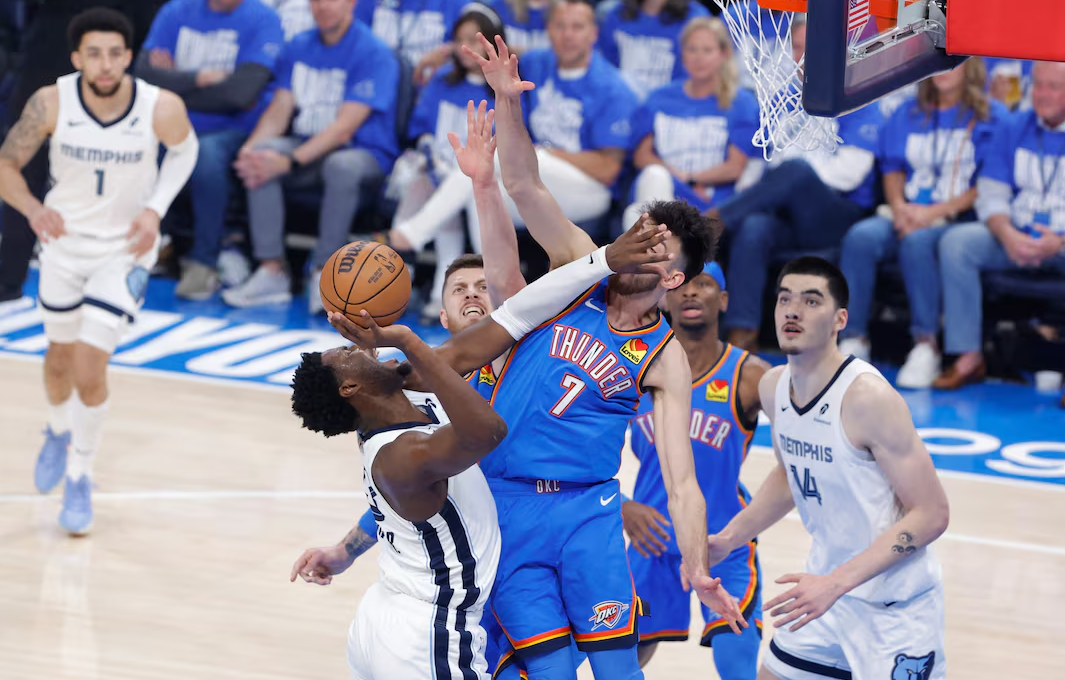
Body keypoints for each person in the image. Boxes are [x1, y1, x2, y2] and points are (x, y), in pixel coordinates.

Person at [292, 200, 680, 680]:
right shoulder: (413, 443)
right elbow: (489, 429)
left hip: (393, 611)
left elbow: (516, 309)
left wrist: (343, 552)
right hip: (430, 629)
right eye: (350, 352)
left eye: (482, 289)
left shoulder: (413, 407)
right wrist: (410, 340)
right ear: (351, 388)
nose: (362, 346)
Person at [465, 32, 746, 680]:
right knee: (550, 673)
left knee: (619, 670)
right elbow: (523, 182)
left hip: (586, 513)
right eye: (643, 234)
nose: (643, 248)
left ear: (675, 279)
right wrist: (508, 101)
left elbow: (681, 482)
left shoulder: (663, 355)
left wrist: (697, 566)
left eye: (660, 248)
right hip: (507, 500)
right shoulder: (577, 269)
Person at [700, 256, 950, 680]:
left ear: (840, 319)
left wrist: (836, 583)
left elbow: (933, 514)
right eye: (784, 300)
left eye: (811, 301)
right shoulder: (774, 386)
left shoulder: (868, 398)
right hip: (821, 595)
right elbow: (789, 475)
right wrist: (729, 538)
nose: (793, 311)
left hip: (892, 610)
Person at [0, 8, 198, 534]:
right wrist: (32, 210)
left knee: (90, 367)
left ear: (128, 57)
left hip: (124, 252)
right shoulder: (50, 101)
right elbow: (5, 166)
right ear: (76, 58)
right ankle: (57, 428)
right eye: (94, 53)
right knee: (59, 356)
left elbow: (185, 152)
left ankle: (80, 474)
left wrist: (155, 207)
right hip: (63, 248)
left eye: (115, 53)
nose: (105, 63)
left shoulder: (161, 106)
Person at [623, 261, 770, 679]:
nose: (690, 293)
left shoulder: (750, 375)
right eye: (681, 285)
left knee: (736, 658)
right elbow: (580, 452)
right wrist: (622, 505)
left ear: (722, 300)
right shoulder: (637, 372)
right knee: (618, 660)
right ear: (665, 298)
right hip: (654, 538)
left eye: (703, 285)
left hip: (723, 540)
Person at [223, 0, 399, 314]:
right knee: (261, 156)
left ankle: (324, 274)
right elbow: (280, 108)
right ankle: (271, 269)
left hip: (363, 154)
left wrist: (289, 162)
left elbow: (344, 129)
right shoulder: (299, 45)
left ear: (351, 3)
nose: (322, 6)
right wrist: (251, 149)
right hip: (308, 147)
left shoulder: (374, 52)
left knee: (340, 165)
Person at [837, 59, 1005, 388]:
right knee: (861, 237)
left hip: (956, 218)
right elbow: (892, 168)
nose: (943, 69)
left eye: (951, 63)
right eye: (937, 62)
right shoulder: (907, 112)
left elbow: (986, 184)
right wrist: (900, 207)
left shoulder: (990, 115)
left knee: (919, 242)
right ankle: (853, 339)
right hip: (907, 213)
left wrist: (932, 213)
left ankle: (925, 344)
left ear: (968, 67)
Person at [0, 0, 161, 307]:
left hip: (106, 52)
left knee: (109, 169)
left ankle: (108, 281)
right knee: (25, 165)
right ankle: (11, 276)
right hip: (52, 48)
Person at [135, 0, 284, 300]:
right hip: (171, 122)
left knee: (205, 155)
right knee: (134, 145)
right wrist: (198, 78)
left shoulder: (264, 19)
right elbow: (144, 77)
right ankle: (133, 250)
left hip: (232, 129)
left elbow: (241, 94)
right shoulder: (175, 11)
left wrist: (175, 83)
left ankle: (203, 263)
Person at [934, 60, 1065, 389]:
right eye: (1038, 85)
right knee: (957, 243)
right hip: (1016, 234)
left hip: (1060, 242)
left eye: (1054, 87)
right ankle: (968, 356)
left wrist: (1060, 243)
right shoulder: (1014, 125)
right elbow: (991, 193)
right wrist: (1007, 234)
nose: (1042, 95)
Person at [621, 16, 760, 229]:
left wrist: (694, 180)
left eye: (707, 50)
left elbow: (734, 167)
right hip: (662, 187)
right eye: (692, 49)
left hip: (707, 201)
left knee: (646, 207)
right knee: (653, 180)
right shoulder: (658, 97)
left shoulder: (741, 103)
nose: (698, 58)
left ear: (723, 54)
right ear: (682, 54)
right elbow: (642, 156)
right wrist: (682, 179)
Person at [596, 0, 710, 101]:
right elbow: (607, 68)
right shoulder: (617, 14)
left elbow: (699, 76)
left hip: (674, 105)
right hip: (626, 102)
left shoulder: (695, 17)